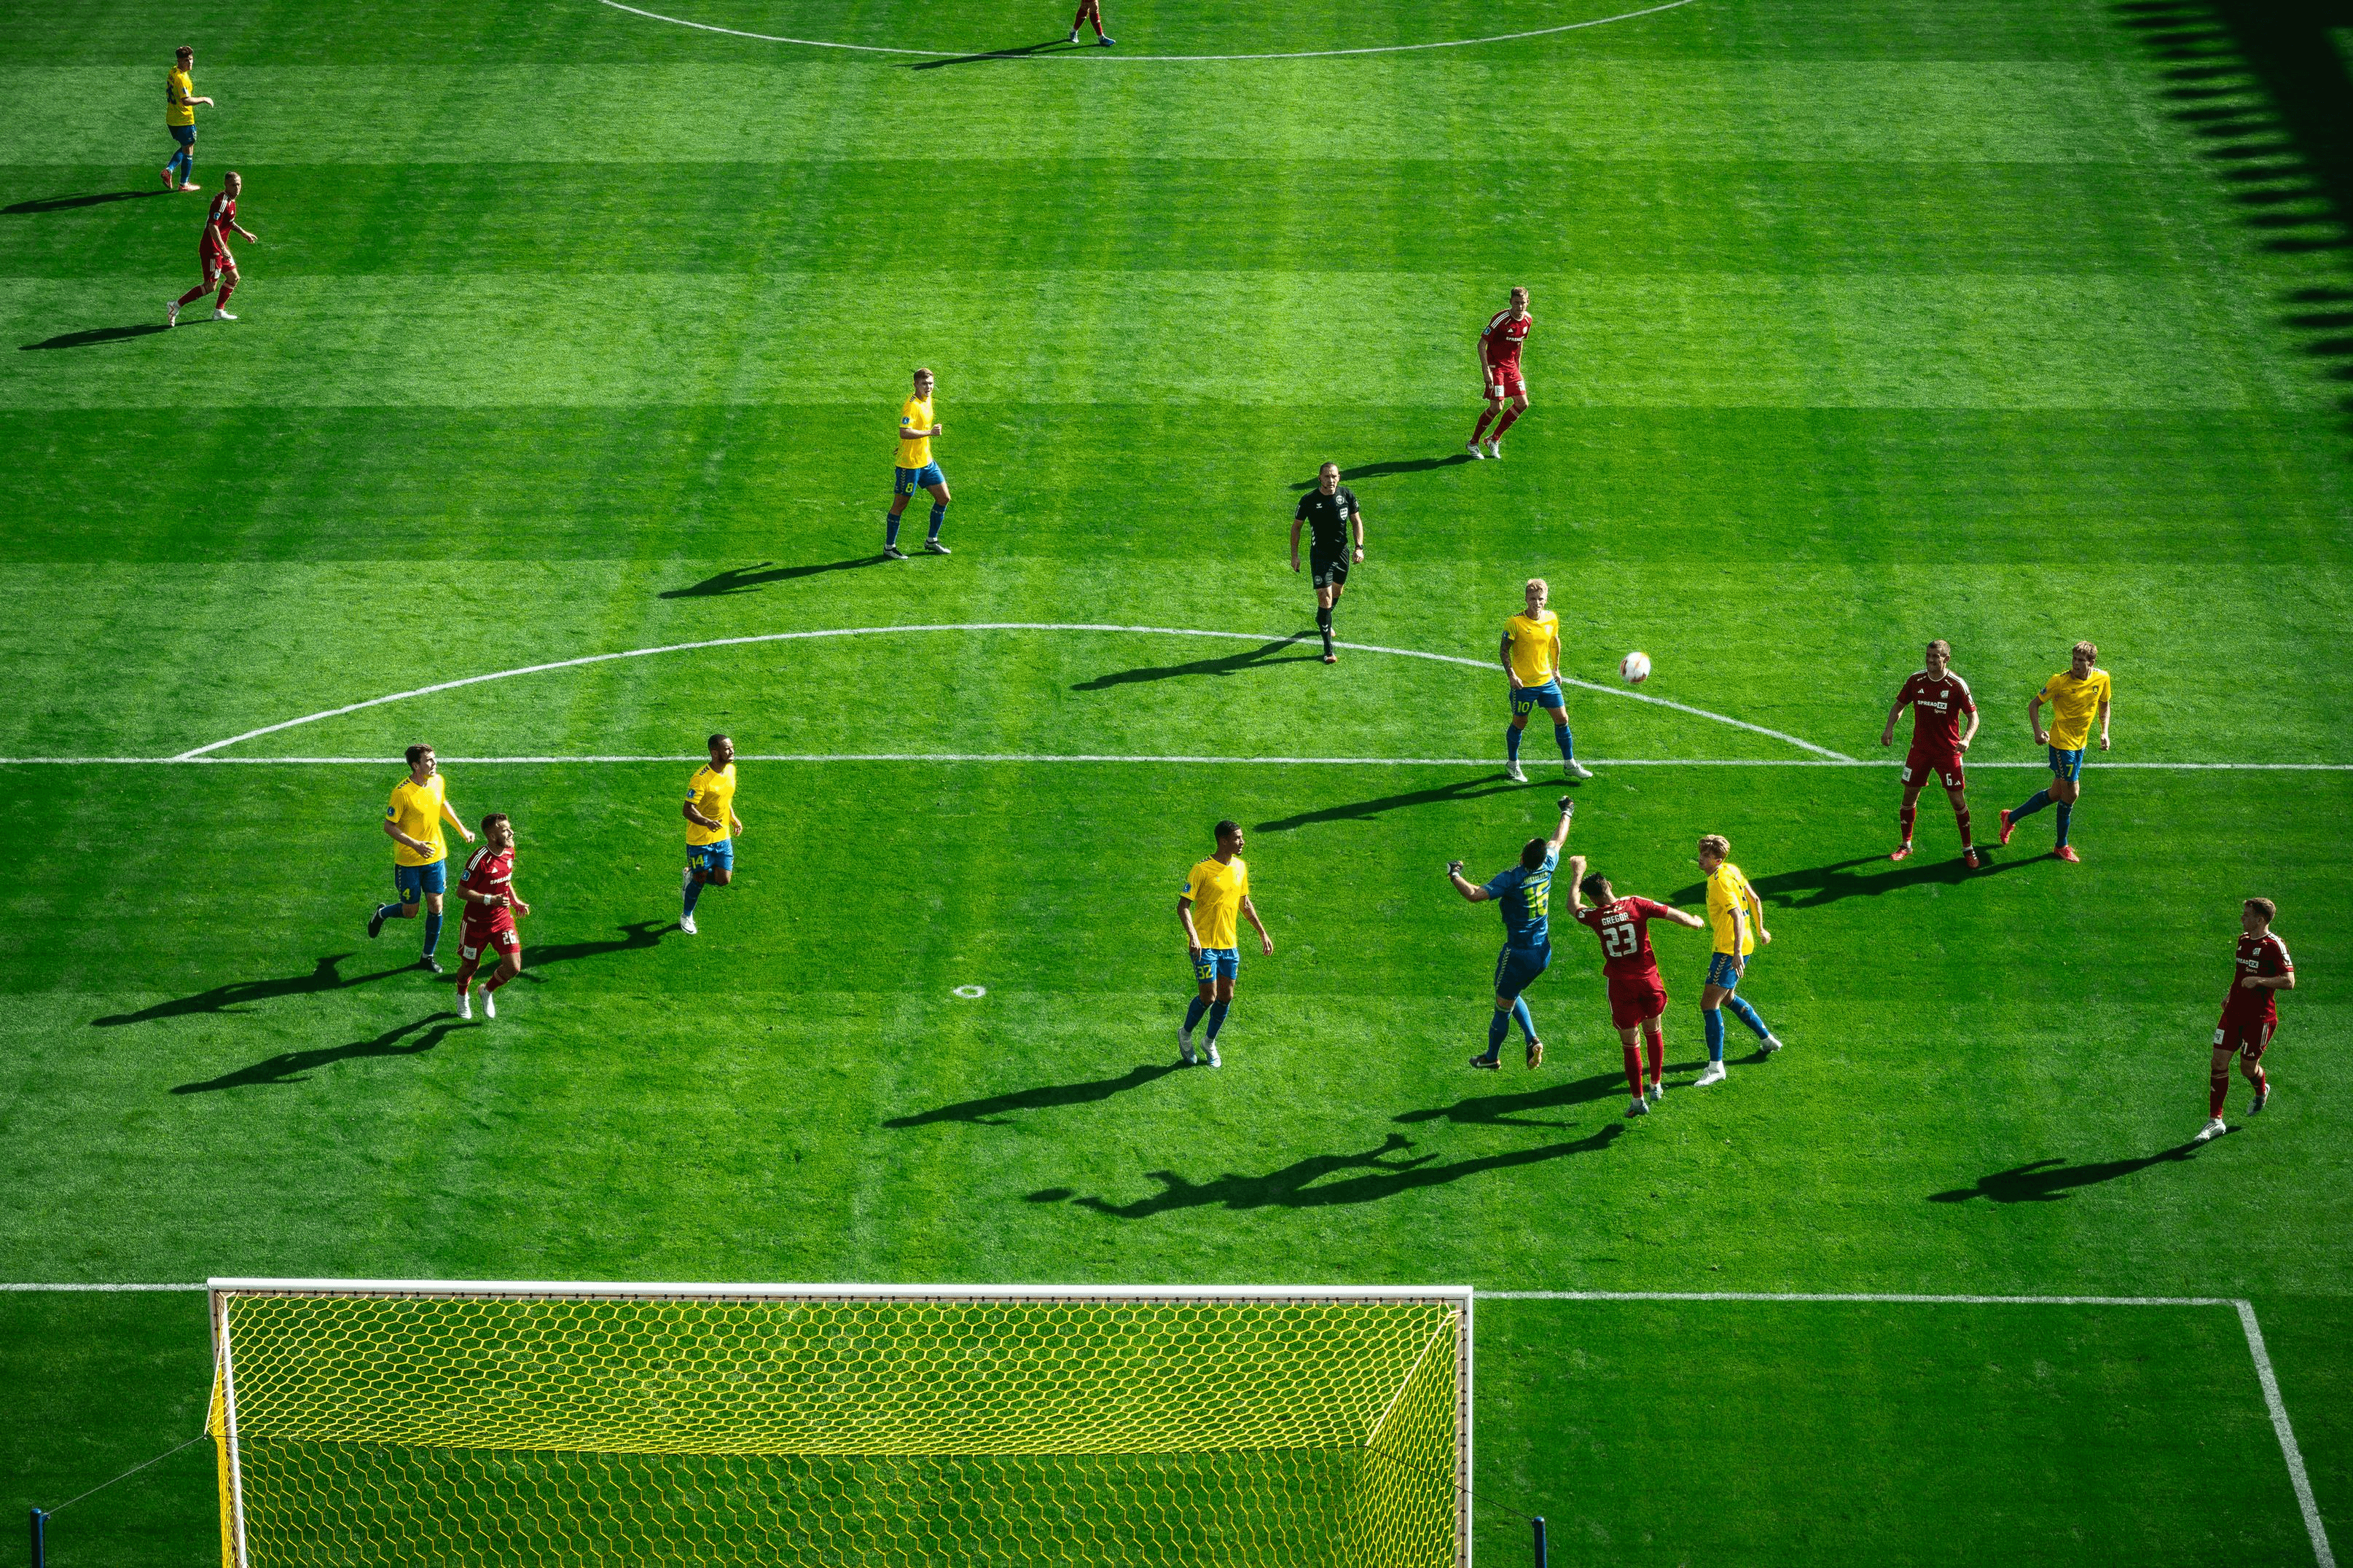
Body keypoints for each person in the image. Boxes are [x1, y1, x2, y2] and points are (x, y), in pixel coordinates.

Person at [1566, 858, 1704, 1116]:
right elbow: (1675, 915)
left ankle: (1637, 1100)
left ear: (1594, 899)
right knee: (1655, 1031)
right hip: (1649, 980)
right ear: (1609, 885)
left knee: (1630, 1044)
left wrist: (1577, 873)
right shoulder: (1636, 904)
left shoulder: (1595, 915)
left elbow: (1573, 906)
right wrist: (1695, 921)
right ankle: (1656, 1085)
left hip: (1621, 986)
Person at [1445, 797, 1574, 1070]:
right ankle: (1531, 1040)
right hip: (1543, 951)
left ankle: (1491, 1057)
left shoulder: (1512, 878)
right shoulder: (1547, 865)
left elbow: (1474, 895)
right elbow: (1557, 841)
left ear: (1522, 856)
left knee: (1502, 1004)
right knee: (1512, 994)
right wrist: (1567, 811)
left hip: (1518, 954)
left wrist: (1454, 874)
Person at [2000, 641, 2112, 863]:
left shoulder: (2102, 678)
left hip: (2081, 744)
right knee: (2072, 794)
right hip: (2062, 745)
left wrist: (2105, 732)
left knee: (2056, 794)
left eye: (2081, 660)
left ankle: (2010, 817)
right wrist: (2038, 731)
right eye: (2074, 659)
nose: (2076, 664)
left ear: (2091, 662)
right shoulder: (2059, 681)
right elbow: (2034, 705)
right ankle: (2061, 845)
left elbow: (2104, 704)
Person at [367, 744, 474, 973]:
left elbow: (442, 804)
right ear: (416, 766)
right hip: (409, 861)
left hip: (435, 856)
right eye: (429, 760)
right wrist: (415, 844)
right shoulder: (402, 793)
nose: (434, 763)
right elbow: (388, 826)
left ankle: (427, 956)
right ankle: (382, 913)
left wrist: (462, 829)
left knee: (436, 906)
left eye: (434, 759)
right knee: (411, 912)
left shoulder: (437, 781)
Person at [1178, 820, 1273, 1068]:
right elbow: (1183, 906)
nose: (1242, 842)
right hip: (1205, 946)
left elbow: (1245, 903)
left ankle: (1209, 1042)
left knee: (1226, 996)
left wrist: (1262, 933)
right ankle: (1186, 1034)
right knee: (1208, 997)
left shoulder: (1240, 868)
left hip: (1229, 946)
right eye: (1238, 838)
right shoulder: (1201, 870)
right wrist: (1194, 936)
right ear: (1223, 841)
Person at [2198, 898, 2294, 1143]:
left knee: (2247, 1068)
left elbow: (2289, 982)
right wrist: (2230, 995)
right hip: (2233, 1014)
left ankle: (2261, 1089)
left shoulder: (2274, 945)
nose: (2242, 918)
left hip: (2259, 1020)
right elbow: (2240, 973)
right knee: (2218, 1062)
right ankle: (2215, 1120)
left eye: (2247, 915)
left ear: (2260, 920)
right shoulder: (2242, 941)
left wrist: (2260, 980)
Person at [1878, 638, 1980, 868]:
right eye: (1928, 656)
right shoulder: (1916, 680)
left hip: (1948, 752)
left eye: (1935, 657)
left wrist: (1966, 739)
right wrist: (1889, 728)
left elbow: (1973, 717)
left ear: (1946, 659)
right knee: (1908, 799)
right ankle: (1905, 845)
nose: (1930, 660)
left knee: (1957, 801)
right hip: (1920, 751)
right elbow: (1899, 706)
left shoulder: (1956, 685)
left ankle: (1968, 849)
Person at [1694, 834, 1783, 1086]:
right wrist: (1762, 929)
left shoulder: (1718, 882)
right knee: (1729, 997)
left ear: (1718, 860)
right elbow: (1754, 899)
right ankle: (1766, 1039)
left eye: (1706, 856)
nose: (1700, 859)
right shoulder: (1731, 869)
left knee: (1709, 1004)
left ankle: (1716, 1068)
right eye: (1701, 853)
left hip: (1728, 948)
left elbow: (1737, 916)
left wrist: (1734, 954)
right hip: (1746, 943)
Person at [1500, 577, 1590, 783]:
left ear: (1546, 599)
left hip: (1547, 681)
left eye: (1540, 599)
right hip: (1524, 685)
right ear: (1526, 599)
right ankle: (1512, 765)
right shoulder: (1515, 623)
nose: (1537, 603)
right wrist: (1512, 675)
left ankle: (1569, 764)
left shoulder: (1551, 618)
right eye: (1532, 599)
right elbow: (1504, 650)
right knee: (1520, 723)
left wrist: (1556, 669)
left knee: (1562, 719)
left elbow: (1554, 642)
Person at [453, 814, 530, 1021]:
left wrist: (514, 901)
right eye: (505, 830)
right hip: (476, 923)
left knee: (513, 967)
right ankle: (462, 995)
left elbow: (506, 879)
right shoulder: (479, 860)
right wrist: (490, 899)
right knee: (470, 967)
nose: (511, 832)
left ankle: (486, 990)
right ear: (491, 835)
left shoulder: (509, 852)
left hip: (502, 919)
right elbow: (461, 892)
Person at [1291, 463, 1365, 665]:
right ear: (1319, 479)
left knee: (1337, 593)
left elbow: (1356, 521)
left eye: (1334, 476)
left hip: (1341, 553)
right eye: (1326, 477)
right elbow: (1296, 528)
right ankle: (1328, 650)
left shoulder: (1347, 496)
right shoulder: (1309, 500)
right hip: (1320, 555)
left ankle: (1323, 618)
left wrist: (1359, 547)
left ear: (1339, 477)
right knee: (1325, 598)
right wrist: (1295, 556)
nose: (1330, 480)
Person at [168, 170, 255, 326]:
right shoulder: (221, 202)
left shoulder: (231, 201)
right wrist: (222, 248)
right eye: (234, 185)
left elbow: (227, 222)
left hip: (220, 248)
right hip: (212, 249)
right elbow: (212, 226)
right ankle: (176, 305)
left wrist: (243, 233)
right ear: (226, 185)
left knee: (233, 278)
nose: (237, 188)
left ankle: (219, 312)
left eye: (239, 185)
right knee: (209, 287)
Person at [886, 367, 951, 560]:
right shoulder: (911, 405)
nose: (929, 387)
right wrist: (930, 433)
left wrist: (904, 444)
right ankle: (889, 547)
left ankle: (932, 540)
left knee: (944, 498)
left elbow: (914, 430)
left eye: (931, 383)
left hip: (926, 461)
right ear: (915, 384)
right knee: (900, 505)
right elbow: (904, 431)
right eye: (924, 384)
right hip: (910, 465)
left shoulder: (928, 399)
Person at [681, 734, 742, 936]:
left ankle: (691, 874)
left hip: (722, 836)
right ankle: (686, 915)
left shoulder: (731, 770)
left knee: (723, 879)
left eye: (732, 747)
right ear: (714, 753)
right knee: (699, 878)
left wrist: (732, 817)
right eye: (727, 749)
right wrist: (707, 822)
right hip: (699, 840)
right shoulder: (701, 779)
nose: (732, 751)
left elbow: (724, 799)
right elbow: (687, 810)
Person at [1468, 287, 1532, 459]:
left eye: (1523, 303)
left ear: (1528, 303)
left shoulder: (1527, 320)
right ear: (1511, 302)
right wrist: (1486, 370)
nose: (1520, 307)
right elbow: (1481, 344)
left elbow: (1519, 344)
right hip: (1496, 367)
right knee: (1497, 407)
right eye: (1516, 303)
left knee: (1522, 404)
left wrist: (1518, 368)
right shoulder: (1500, 319)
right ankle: (1473, 443)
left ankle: (1493, 440)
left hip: (1511, 368)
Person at [163, 46, 214, 192]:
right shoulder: (182, 78)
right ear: (179, 60)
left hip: (171, 118)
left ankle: (169, 170)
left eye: (191, 59)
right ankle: (183, 184)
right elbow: (186, 100)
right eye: (186, 60)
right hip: (183, 119)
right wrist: (204, 99)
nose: (190, 63)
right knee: (189, 148)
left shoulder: (173, 71)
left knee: (186, 146)